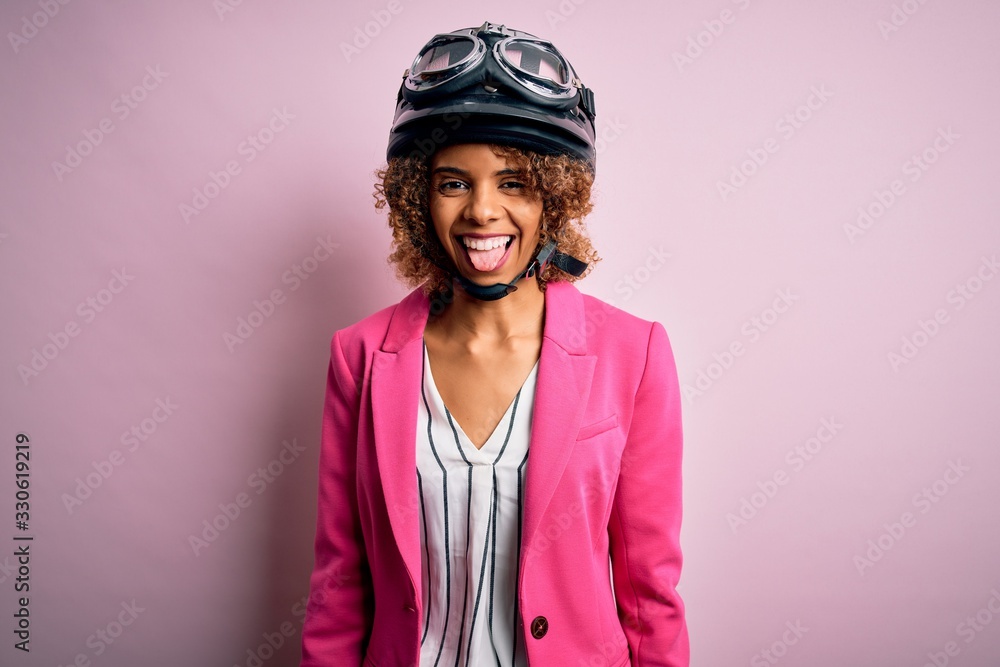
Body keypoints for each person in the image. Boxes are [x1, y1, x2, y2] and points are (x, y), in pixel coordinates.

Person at [300, 21, 688, 667]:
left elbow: (651, 597)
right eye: (454, 182)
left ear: (554, 198)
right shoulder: (359, 358)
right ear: (418, 197)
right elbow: (339, 589)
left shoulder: (635, 355)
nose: (482, 210)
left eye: (513, 182)